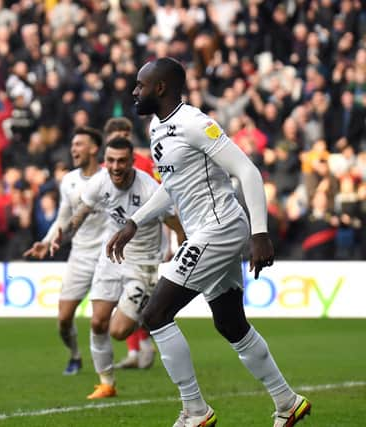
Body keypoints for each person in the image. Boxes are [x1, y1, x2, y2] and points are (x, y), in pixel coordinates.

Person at [107, 57, 311, 427]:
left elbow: (246, 170)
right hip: (210, 229)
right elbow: (173, 188)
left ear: (161, 88)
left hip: (218, 228)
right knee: (231, 324)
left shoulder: (195, 124)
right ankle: (287, 402)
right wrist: (134, 222)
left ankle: (195, 412)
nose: (134, 91)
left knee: (155, 315)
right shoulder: (158, 128)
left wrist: (260, 233)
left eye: (140, 85)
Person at [56, 136, 184, 399]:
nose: (115, 166)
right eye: (111, 160)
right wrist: (65, 234)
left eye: (122, 161)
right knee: (98, 322)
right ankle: (106, 384)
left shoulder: (149, 189)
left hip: (143, 264)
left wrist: (181, 251)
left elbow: (177, 224)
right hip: (111, 259)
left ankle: (151, 314)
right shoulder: (99, 182)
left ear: (132, 162)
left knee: (118, 331)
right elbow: (81, 212)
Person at [23, 126, 104, 375]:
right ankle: (76, 355)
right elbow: (62, 219)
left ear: (94, 148)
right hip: (80, 255)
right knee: (64, 319)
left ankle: (109, 371)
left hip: (108, 256)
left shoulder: (109, 177)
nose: (74, 149)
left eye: (79, 144)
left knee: (101, 320)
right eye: (73, 144)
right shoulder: (68, 181)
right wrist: (47, 241)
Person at [104, 117, 162, 370]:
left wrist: (171, 242)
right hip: (117, 245)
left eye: (125, 134)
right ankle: (135, 350)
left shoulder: (145, 165)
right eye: (116, 134)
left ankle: (146, 342)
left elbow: (164, 202)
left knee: (135, 299)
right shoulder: (107, 169)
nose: (122, 137)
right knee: (120, 300)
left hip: (144, 246)